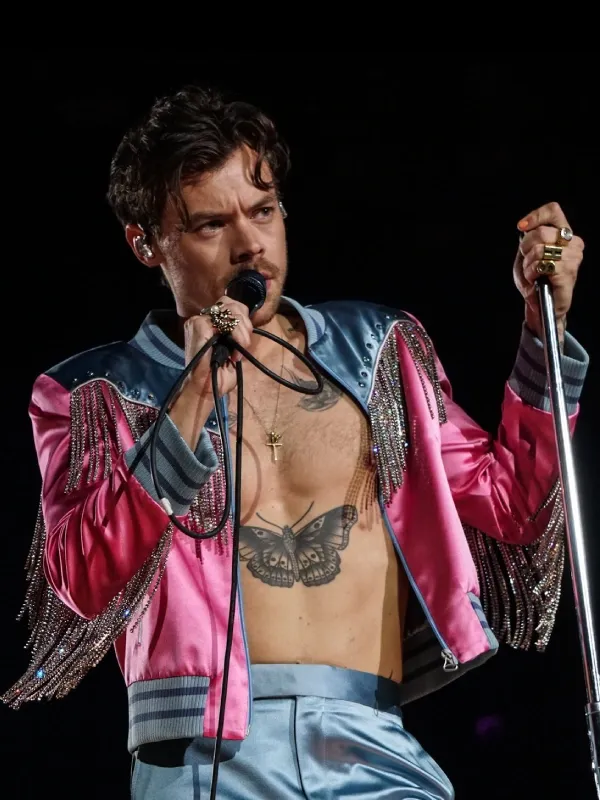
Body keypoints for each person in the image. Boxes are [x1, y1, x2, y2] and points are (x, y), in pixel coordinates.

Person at [2, 85, 589, 800]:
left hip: (374, 747)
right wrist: (189, 399)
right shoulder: (93, 393)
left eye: (264, 210)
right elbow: (81, 578)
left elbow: (515, 505)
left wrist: (543, 331)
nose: (250, 243)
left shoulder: (377, 351)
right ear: (146, 243)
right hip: (202, 761)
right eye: (211, 224)